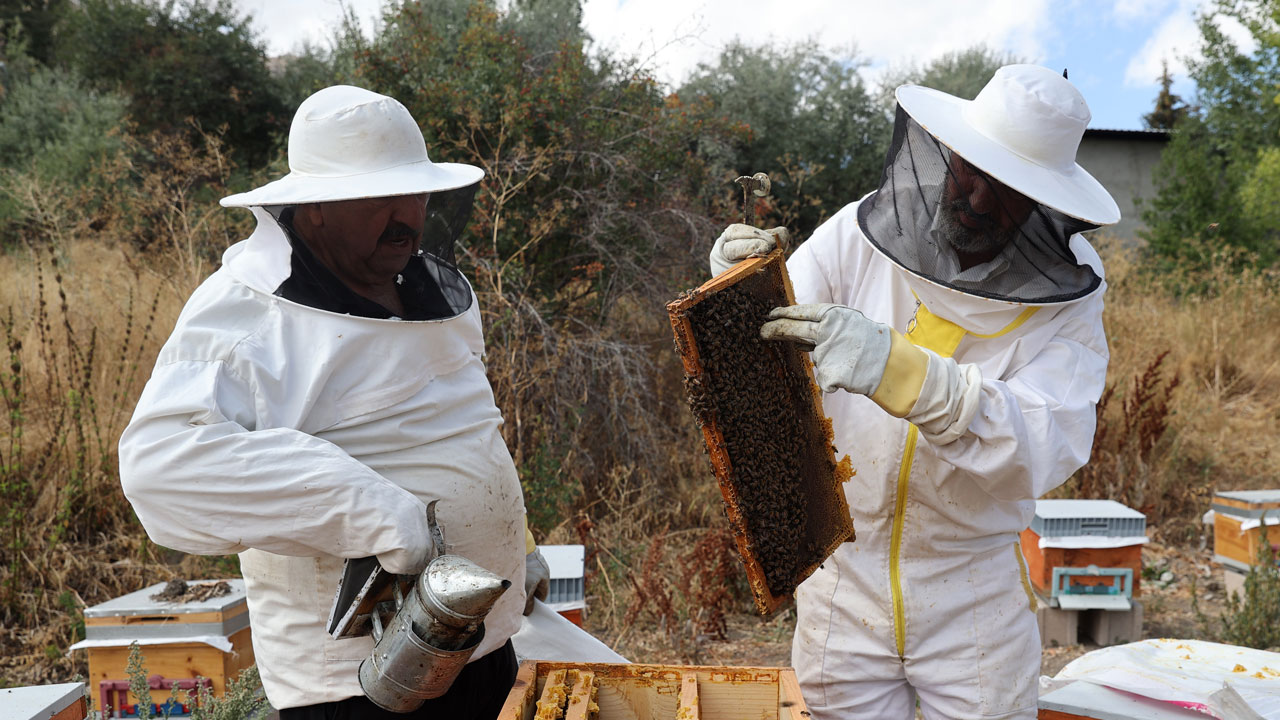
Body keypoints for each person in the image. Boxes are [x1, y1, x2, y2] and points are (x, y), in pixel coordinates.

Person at [118, 85, 550, 719]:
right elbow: (160, 467)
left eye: (417, 192)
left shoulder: (430, 289)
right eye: (381, 197)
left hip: (483, 641)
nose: (408, 214)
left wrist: (516, 538)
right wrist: (371, 509)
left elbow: (462, 426)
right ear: (314, 207)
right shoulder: (243, 319)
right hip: (362, 683)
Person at [709, 65, 1119, 719]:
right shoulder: (862, 230)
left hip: (970, 592)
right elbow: (773, 331)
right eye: (970, 170)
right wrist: (739, 285)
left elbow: (1045, 442)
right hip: (843, 577)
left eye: (1005, 191)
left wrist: (911, 378)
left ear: (1044, 203)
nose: (977, 198)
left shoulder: (1071, 296)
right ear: (947, 152)